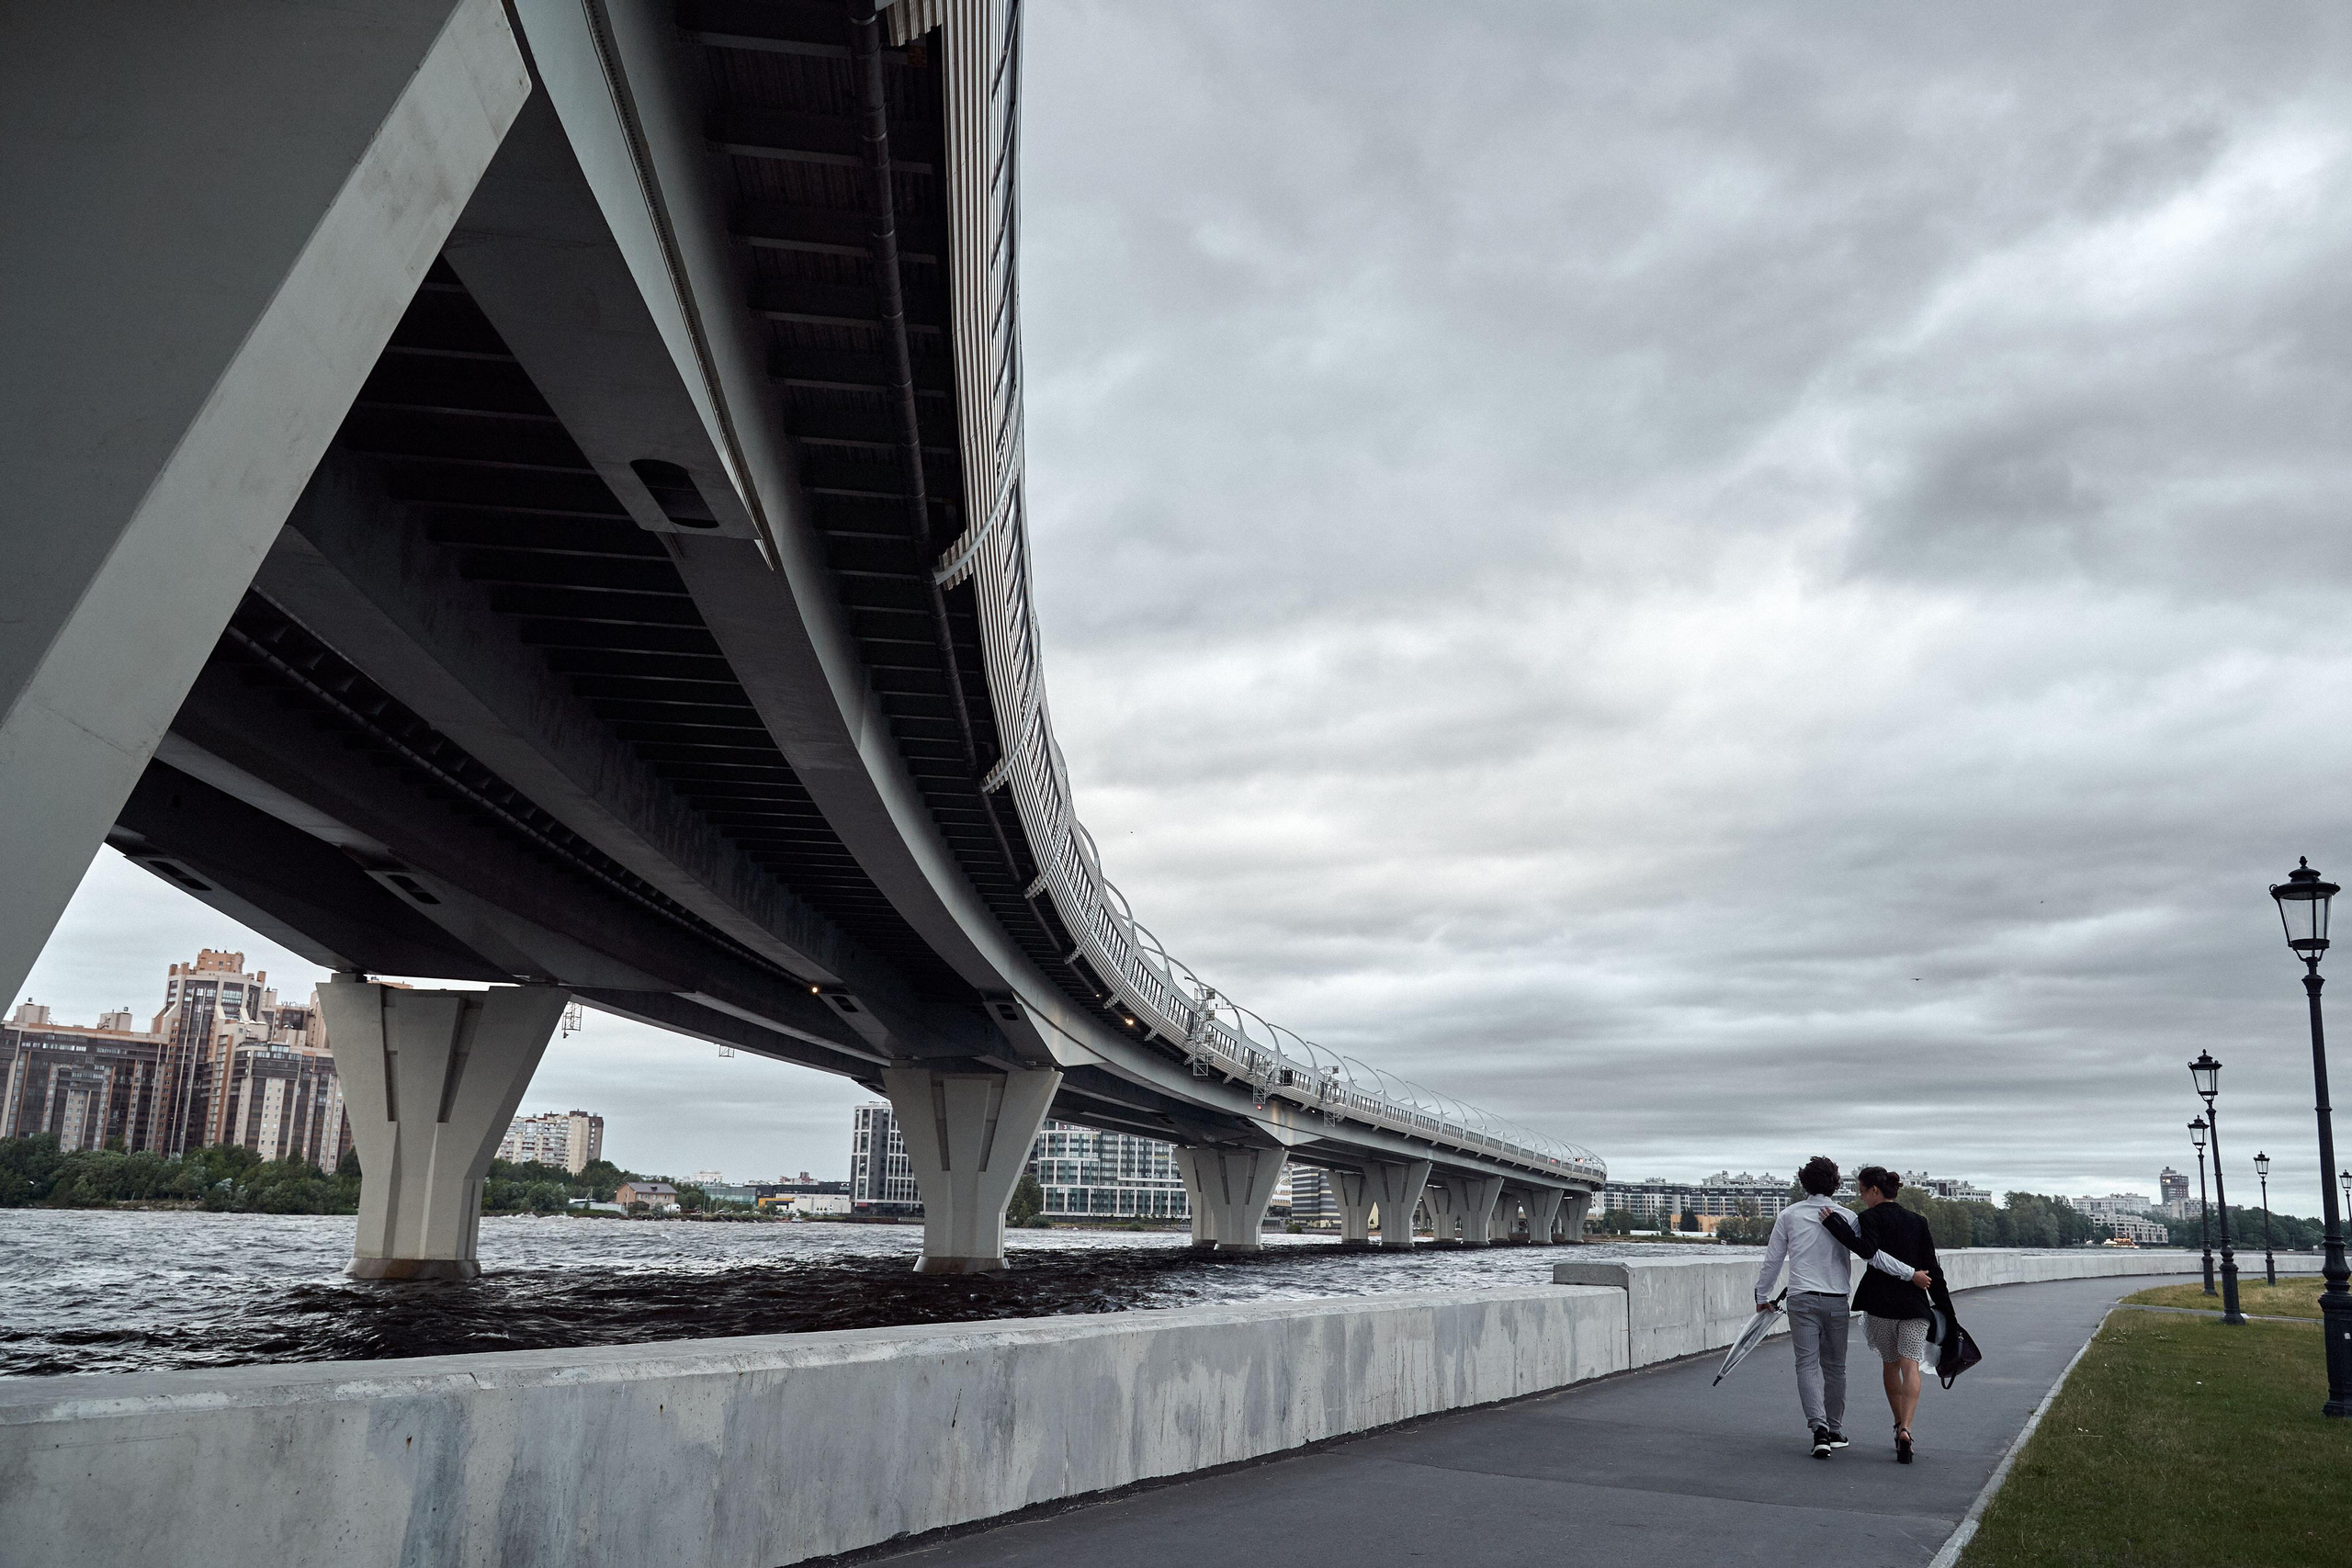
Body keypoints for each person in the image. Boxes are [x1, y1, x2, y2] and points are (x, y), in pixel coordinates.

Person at [1754, 1156, 1929, 1459]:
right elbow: (1874, 1256)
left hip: (1801, 1299)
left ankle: (1818, 1429)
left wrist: (1762, 1295)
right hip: (1836, 1300)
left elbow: (1773, 1260)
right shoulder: (1849, 1216)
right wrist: (1909, 1273)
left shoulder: (1789, 1216)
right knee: (1835, 1369)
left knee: (1806, 1365)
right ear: (1836, 1184)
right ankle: (1834, 1429)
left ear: (1804, 1182)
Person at [1821, 1165, 1952, 1464]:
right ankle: (1906, 1427)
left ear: (1875, 1191)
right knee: (1911, 1367)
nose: (1861, 1197)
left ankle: (1897, 1425)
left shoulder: (1869, 1218)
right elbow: (1933, 1269)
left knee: (1890, 1364)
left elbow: (1868, 1251)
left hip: (1880, 1304)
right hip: (1914, 1306)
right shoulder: (1918, 1222)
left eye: (1862, 1191)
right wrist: (1946, 1309)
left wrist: (1837, 1227)